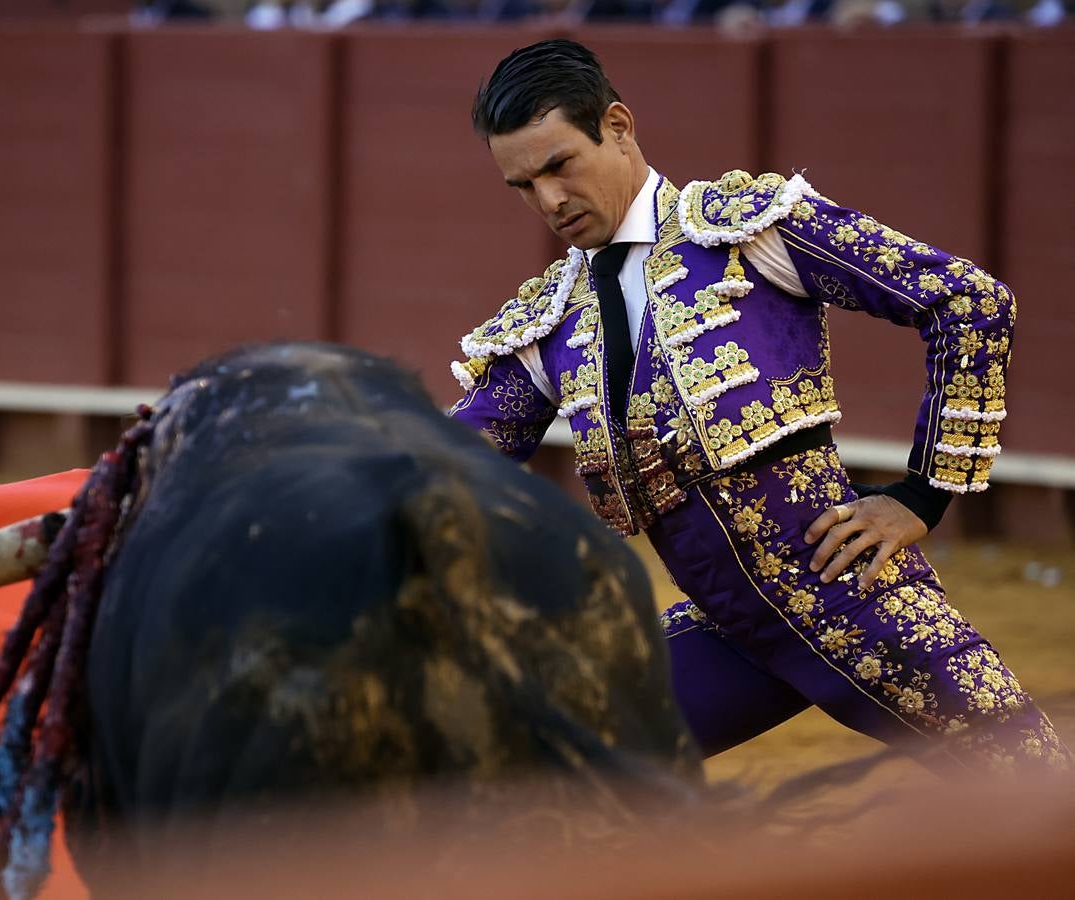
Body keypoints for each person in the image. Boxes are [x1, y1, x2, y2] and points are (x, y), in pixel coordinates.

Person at [449, 39, 1069, 774]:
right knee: (547, 767)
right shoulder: (549, 321)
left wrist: (921, 496)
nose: (548, 201)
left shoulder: (749, 229)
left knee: (1037, 790)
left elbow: (968, 301)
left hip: (857, 604)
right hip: (732, 632)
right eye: (522, 185)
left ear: (617, 127)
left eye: (559, 166)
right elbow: (443, 462)